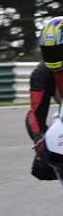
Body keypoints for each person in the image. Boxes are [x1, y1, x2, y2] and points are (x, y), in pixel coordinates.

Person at [26, 16, 63, 181]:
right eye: (49, 50)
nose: (53, 55)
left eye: (58, 50)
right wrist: (39, 138)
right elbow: (35, 112)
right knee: (41, 168)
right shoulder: (41, 73)